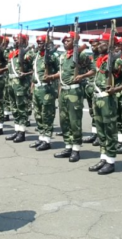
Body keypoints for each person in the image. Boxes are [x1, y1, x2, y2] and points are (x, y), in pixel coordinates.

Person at [88, 33, 122, 174]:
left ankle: (111, 161)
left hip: (108, 100)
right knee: (101, 131)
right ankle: (103, 157)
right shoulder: (101, 60)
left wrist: (116, 89)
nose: (99, 44)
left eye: (103, 42)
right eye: (99, 42)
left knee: (110, 132)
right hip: (97, 99)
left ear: (110, 45)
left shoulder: (116, 61)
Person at [53, 32, 96, 162]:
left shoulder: (81, 55)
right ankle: (68, 146)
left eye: (68, 40)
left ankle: (76, 149)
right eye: (64, 41)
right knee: (64, 120)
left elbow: (93, 70)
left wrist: (82, 76)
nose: (65, 43)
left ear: (75, 42)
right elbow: (62, 74)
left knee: (74, 121)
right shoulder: (62, 56)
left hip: (74, 91)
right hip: (64, 91)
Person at [29, 35, 59, 151]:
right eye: (38, 42)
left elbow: (60, 71)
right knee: (38, 114)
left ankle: (47, 140)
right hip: (37, 88)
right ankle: (41, 137)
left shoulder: (53, 56)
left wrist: (51, 77)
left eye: (41, 42)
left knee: (47, 114)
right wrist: (32, 86)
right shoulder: (37, 56)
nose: (39, 44)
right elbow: (34, 72)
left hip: (47, 88)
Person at [5, 34, 34, 143]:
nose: (15, 40)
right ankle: (17, 130)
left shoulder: (29, 53)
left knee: (22, 109)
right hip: (11, 84)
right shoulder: (13, 53)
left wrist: (26, 73)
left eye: (17, 38)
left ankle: (22, 132)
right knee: (14, 108)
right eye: (14, 39)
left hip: (21, 85)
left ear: (24, 40)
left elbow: (34, 69)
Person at [82, 38, 100, 144]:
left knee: (98, 113)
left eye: (96, 45)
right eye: (92, 46)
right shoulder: (90, 58)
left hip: (99, 89)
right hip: (89, 88)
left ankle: (100, 135)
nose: (94, 48)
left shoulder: (104, 58)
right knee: (92, 112)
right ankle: (94, 133)